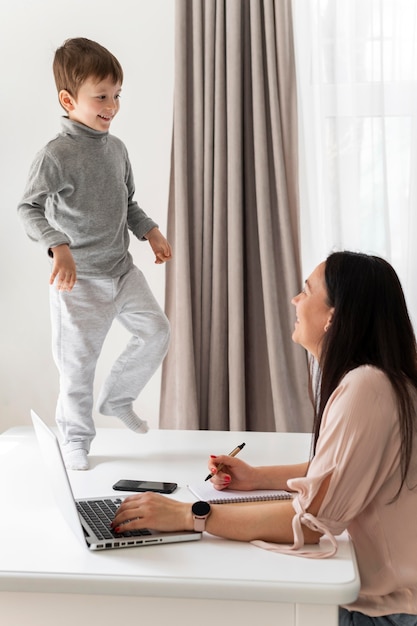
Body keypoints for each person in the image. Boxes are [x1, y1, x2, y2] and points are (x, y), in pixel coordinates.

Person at [111, 251, 417, 624]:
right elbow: (343, 470)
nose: (295, 299)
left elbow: (310, 522)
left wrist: (189, 515)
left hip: (389, 612)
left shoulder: (365, 387)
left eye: (306, 290)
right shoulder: (385, 382)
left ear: (332, 317)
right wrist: (257, 478)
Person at [18, 38, 172, 471]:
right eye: (101, 96)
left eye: (117, 94)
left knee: (157, 331)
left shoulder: (117, 149)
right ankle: (75, 439)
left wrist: (150, 231)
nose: (112, 105)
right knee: (78, 370)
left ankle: (118, 397)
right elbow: (27, 207)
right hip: (78, 282)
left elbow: (128, 203)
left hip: (122, 272)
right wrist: (59, 247)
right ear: (68, 100)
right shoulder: (56, 154)